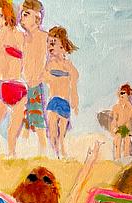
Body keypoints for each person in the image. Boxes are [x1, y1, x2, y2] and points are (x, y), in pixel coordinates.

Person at [0, 0, 27, 159]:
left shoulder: (4, 36)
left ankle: (1, 153)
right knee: (0, 126)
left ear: (10, 15)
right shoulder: (18, 36)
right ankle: (4, 153)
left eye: (2, 15)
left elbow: (0, 67)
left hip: (11, 85)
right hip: (14, 85)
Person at [44, 26, 79, 159]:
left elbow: (74, 82)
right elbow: (44, 77)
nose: (50, 47)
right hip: (53, 101)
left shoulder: (67, 65)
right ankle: (55, 153)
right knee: (52, 130)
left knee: (62, 132)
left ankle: (62, 151)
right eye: (48, 43)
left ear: (62, 47)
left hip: (65, 102)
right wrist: (49, 77)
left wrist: (75, 101)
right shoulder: (49, 64)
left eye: (53, 43)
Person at [20, 0, 48, 156]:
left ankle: (43, 151)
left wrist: (39, 77)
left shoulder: (43, 37)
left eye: (26, 14)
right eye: (22, 14)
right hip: (25, 84)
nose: (21, 18)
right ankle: (23, 151)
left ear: (37, 18)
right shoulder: (22, 38)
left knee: (37, 118)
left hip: (36, 84)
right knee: (25, 118)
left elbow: (48, 62)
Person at [110, 84, 132, 160]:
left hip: (126, 130)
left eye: (123, 93)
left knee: (127, 141)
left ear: (127, 96)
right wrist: (113, 128)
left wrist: (130, 106)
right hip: (118, 129)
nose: (121, 95)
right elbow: (114, 120)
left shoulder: (129, 107)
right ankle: (117, 160)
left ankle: (126, 160)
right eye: (120, 93)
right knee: (118, 140)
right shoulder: (116, 107)